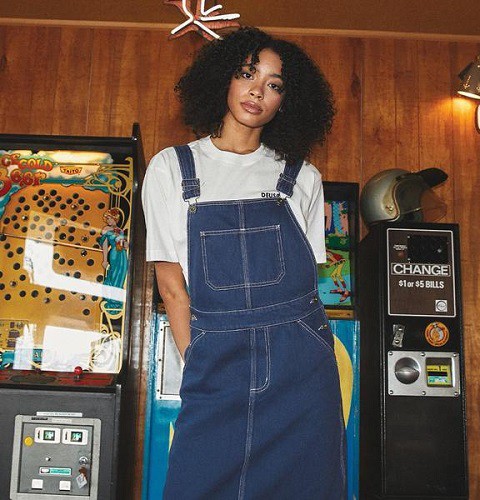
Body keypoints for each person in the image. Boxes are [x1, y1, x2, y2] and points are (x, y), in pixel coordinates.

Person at [142, 27, 346, 499]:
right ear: (224, 80)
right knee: (195, 484)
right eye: (247, 74)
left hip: (301, 365)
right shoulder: (172, 167)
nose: (257, 91)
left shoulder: (302, 177)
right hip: (216, 360)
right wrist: (200, 362)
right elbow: (172, 287)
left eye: (274, 85)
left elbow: (306, 286)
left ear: (285, 102)